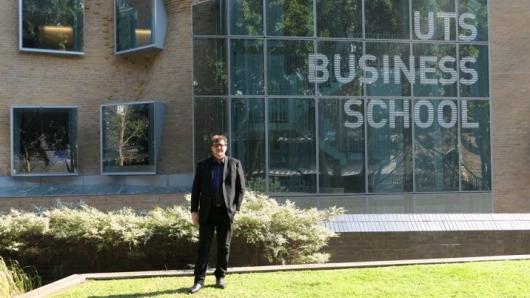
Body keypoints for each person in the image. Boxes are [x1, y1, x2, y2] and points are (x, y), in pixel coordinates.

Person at [189, 134, 245, 294]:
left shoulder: (235, 164)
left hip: (225, 213)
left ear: (226, 147)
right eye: (216, 145)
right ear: (212, 148)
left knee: (224, 247)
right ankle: (199, 281)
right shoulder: (203, 166)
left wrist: (235, 208)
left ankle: (220, 276)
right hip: (207, 212)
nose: (219, 148)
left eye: (221, 145)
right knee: (203, 247)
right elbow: (196, 190)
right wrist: (194, 211)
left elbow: (241, 189)